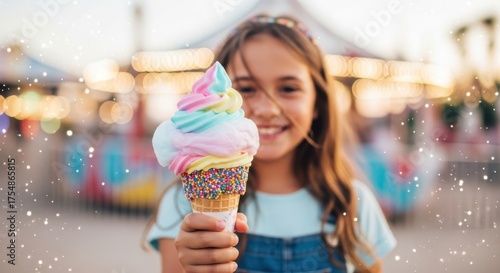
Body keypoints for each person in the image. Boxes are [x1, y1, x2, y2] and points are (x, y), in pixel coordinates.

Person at [145, 14, 397, 273]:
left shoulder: (353, 202)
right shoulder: (183, 203)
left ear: (317, 104)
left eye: (288, 88)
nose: (267, 109)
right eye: (246, 88)